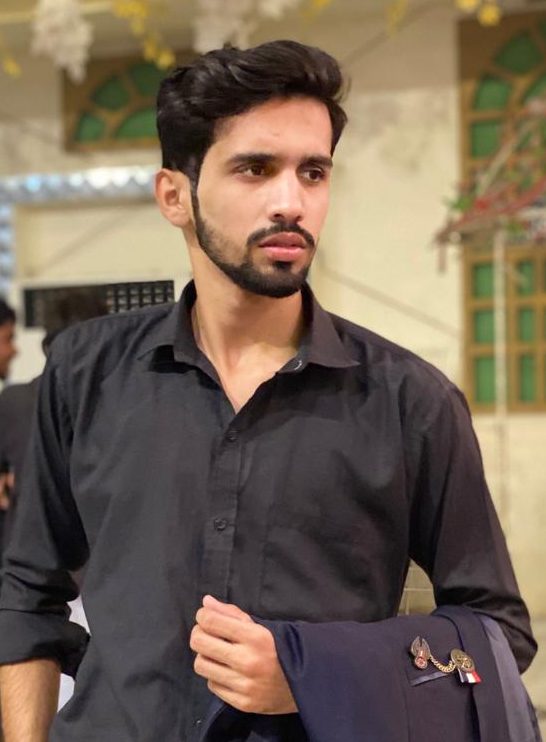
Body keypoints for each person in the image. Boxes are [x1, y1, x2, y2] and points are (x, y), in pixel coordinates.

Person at [0, 40, 537, 742]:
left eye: (313, 172)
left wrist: (318, 672)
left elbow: (497, 631)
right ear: (175, 195)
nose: (292, 202)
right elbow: (28, 594)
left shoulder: (411, 400)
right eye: (255, 168)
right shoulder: (84, 372)